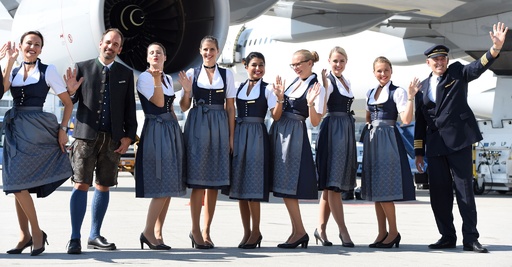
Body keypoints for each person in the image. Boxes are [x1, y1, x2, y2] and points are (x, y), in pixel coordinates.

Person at [414, 22, 508, 253]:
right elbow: (420, 123)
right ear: (428, 62)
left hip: (458, 142)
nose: (440, 62)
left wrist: (494, 49)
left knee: (464, 191)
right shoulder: (422, 88)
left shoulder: (457, 73)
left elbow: (478, 67)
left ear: (447, 60)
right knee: (439, 194)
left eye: (442, 59)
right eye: (435, 60)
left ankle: (470, 239)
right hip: (435, 147)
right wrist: (418, 152)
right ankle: (446, 236)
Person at [63, 28, 137, 254]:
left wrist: (128, 137)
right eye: (107, 42)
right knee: (80, 184)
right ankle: (75, 237)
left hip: (113, 140)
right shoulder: (83, 68)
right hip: (86, 137)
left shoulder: (126, 73)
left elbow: (129, 110)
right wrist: (71, 91)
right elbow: (71, 100)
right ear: (100, 43)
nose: (110, 47)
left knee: (103, 186)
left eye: (115, 44)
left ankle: (94, 235)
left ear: (119, 49)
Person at [1, 31, 74, 256]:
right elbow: (2, 90)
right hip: (15, 128)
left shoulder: (48, 70)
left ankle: (35, 232)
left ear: (41, 49)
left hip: (36, 130)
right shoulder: (13, 70)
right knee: (15, 184)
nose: (32, 47)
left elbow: (68, 103)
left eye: (37, 44)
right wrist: (9, 61)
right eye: (29, 43)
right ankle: (26, 236)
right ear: (21, 46)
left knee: (18, 183)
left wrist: (63, 130)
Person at [178, 35, 236, 249]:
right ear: (200, 51)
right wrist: (186, 90)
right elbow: (184, 107)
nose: (209, 53)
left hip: (220, 127)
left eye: (212, 49)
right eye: (205, 49)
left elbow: (230, 108)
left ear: (218, 51)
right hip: (198, 126)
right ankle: (195, 229)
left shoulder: (227, 74)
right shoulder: (192, 74)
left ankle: (206, 230)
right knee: (199, 182)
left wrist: (231, 136)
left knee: (214, 184)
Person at [361, 56, 419, 249]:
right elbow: (368, 115)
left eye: (386, 70)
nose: (383, 74)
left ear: (391, 71)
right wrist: (370, 126)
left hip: (388, 140)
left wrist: (411, 97)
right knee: (377, 191)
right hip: (373, 141)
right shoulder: (371, 92)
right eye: (379, 71)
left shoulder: (398, 92)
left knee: (385, 188)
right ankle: (381, 232)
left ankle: (393, 232)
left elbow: (406, 119)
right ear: (374, 72)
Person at [270, 49, 325, 249]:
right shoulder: (295, 82)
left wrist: (310, 104)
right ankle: (296, 231)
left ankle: (300, 231)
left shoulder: (315, 86)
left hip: (294, 134)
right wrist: (279, 97)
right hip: (281, 132)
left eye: (299, 64)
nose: (296, 68)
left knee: (289, 185)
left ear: (310, 63)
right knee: (284, 186)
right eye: (293, 65)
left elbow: (316, 121)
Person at [135, 42, 186, 250]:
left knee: (170, 184)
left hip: (169, 129)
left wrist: (177, 131)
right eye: (151, 53)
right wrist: (156, 79)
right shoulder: (147, 77)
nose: (155, 55)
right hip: (156, 130)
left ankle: (157, 233)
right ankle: (148, 231)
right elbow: (157, 103)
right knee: (163, 182)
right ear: (147, 58)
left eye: (159, 52)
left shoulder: (165, 77)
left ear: (165, 57)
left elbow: (170, 106)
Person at [229, 52, 283, 249]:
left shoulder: (268, 89)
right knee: (241, 189)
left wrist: (280, 98)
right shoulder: (238, 87)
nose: (258, 68)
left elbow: (276, 116)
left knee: (252, 187)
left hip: (257, 137)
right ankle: (246, 232)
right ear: (246, 66)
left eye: (261, 65)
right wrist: (232, 138)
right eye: (254, 65)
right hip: (240, 134)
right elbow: (231, 111)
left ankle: (256, 231)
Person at [315, 46, 356, 247]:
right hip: (333, 131)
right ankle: (343, 230)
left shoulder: (345, 81)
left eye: (341, 61)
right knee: (334, 186)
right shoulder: (328, 82)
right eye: (335, 61)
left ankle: (320, 229)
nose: (338, 65)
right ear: (329, 62)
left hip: (344, 130)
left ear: (346, 62)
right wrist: (323, 87)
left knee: (330, 187)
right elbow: (321, 110)